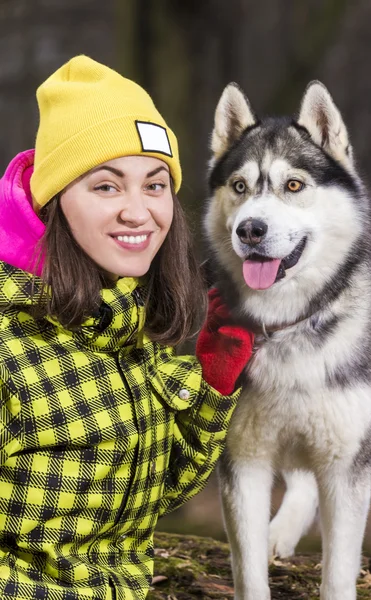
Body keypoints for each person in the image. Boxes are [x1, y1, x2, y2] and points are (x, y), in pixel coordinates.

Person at [0, 56, 254, 600]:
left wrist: (213, 387)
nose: (138, 212)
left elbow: (150, 490)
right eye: (107, 187)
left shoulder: (125, 325)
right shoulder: (10, 345)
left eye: (155, 185)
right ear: (54, 199)